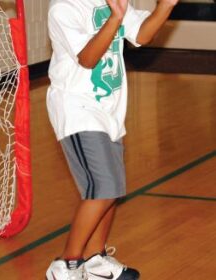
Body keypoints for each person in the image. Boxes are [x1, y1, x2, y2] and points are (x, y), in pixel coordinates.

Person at [45, 0, 179, 279]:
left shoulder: (113, 3)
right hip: (77, 109)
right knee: (103, 188)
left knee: (112, 189)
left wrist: (166, 6)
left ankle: (95, 261)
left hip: (109, 110)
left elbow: (141, 35)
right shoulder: (64, 8)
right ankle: (66, 264)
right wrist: (115, 17)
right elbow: (88, 58)